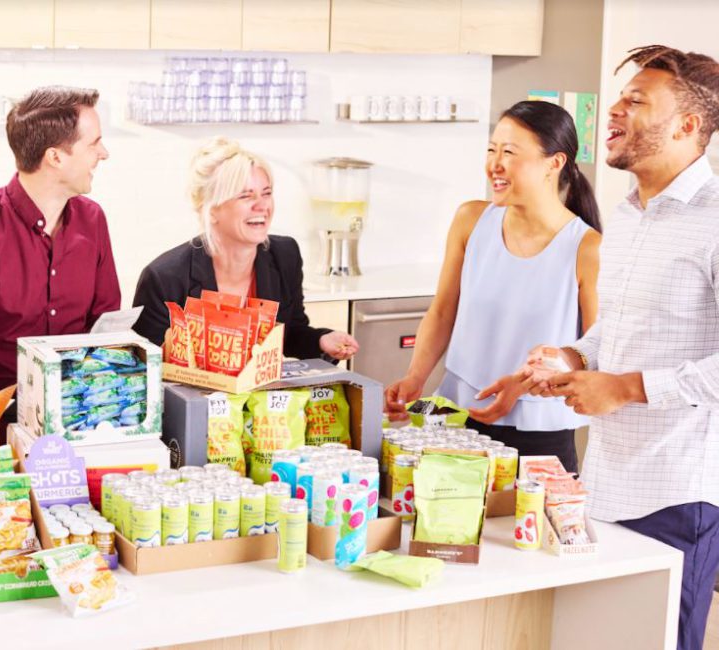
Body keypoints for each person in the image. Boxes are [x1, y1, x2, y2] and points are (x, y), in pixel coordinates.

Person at [515, 45, 719, 650]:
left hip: (677, 491)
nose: (615, 111)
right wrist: (573, 358)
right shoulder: (629, 214)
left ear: (688, 125)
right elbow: (623, 326)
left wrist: (625, 388)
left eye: (637, 100)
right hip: (603, 483)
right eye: (619, 98)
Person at [384, 100, 602, 472]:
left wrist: (523, 386)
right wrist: (415, 377)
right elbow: (442, 311)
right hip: (457, 419)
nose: (494, 165)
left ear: (555, 162)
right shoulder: (471, 220)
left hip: (539, 434)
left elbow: (595, 353)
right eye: (492, 150)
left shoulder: (587, 248)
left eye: (510, 153)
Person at [0, 86, 120, 402]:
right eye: (95, 143)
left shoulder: (93, 220)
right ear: (55, 157)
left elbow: (106, 328)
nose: (104, 153)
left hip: (80, 409)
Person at [132, 137, 358, 361]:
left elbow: (289, 335)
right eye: (245, 196)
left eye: (266, 193)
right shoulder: (164, 277)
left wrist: (322, 340)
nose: (262, 205)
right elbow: (146, 366)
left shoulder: (285, 255)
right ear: (211, 209)